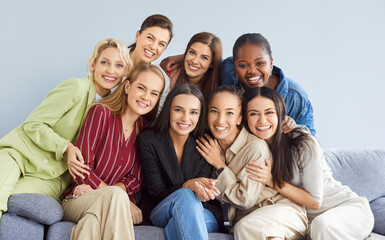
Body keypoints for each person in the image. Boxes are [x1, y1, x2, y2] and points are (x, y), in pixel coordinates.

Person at [0, 38, 131, 219]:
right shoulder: (76, 88)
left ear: (125, 72)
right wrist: (66, 146)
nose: (111, 70)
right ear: (93, 65)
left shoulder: (111, 111)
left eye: (119, 65)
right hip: (20, 156)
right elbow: (33, 124)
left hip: (53, 177)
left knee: (15, 201)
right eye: (104, 62)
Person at [243, 87, 374, 240]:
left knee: (322, 226)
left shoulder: (302, 141)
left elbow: (315, 201)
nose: (262, 120)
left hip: (347, 211)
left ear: (280, 114)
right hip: (304, 222)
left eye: (269, 112)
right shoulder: (254, 147)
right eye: (254, 114)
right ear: (245, 118)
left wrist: (272, 181)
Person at [61, 63, 165, 240]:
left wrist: (112, 195)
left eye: (154, 93)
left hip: (106, 204)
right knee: (116, 196)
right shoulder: (100, 113)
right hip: (78, 198)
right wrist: (118, 198)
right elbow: (82, 169)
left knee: (91, 223)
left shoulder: (145, 130)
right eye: (141, 88)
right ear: (127, 86)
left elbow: (134, 180)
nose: (146, 97)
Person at [196, 85, 307, 240]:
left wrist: (219, 165)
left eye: (229, 113)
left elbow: (244, 199)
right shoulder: (208, 145)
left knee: (249, 229)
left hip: (280, 210)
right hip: (251, 220)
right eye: (214, 111)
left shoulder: (254, 147)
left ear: (240, 117)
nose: (220, 120)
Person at [161, 33, 315, 135]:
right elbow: (210, 59)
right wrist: (182, 57)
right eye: (243, 65)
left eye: (260, 63)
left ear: (271, 63)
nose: (252, 71)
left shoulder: (295, 98)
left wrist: (295, 129)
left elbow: (313, 145)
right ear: (235, 65)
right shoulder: (228, 71)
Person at [137, 84, 223, 240]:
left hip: (202, 211)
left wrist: (203, 194)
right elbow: (156, 193)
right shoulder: (149, 141)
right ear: (168, 110)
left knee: (184, 219)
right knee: (185, 196)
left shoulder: (205, 142)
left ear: (200, 115)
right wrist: (186, 186)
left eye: (193, 112)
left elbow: (204, 188)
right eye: (178, 110)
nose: (185, 118)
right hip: (161, 208)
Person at [128, 14, 173, 109]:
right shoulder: (112, 58)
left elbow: (158, 117)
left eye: (161, 44)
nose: (153, 47)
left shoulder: (163, 81)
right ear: (137, 35)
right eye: (150, 38)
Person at [170, 32, 222, 104]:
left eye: (204, 58)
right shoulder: (169, 75)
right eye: (192, 52)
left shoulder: (216, 88)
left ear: (212, 63)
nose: (195, 61)